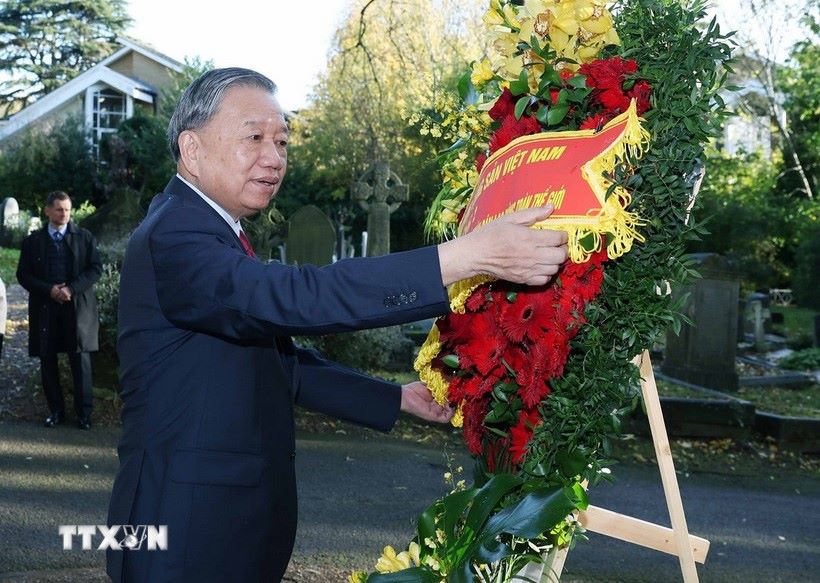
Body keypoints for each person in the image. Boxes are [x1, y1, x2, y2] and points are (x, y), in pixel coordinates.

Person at [107, 68, 569, 582]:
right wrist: (463, 257)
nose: (274, 157)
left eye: (281, 140)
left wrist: (395, 397)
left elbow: (274, 360)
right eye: (254, 137)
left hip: (224, 525)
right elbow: (292, 299)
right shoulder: (177, 232)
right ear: (191, 149)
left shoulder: (214, 228)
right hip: (185, 528)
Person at [17, 191, 102, 430]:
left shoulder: (84, 237)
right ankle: (56, 411)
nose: (64, 214)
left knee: (80, 361)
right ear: (47, 211)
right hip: (46, 308)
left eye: (67, 209)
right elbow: (22, 275)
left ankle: (84, 414)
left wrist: (71, 289)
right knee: (48, 360)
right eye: (59, 209)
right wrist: (49, 290)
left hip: (77, 307)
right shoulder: (33, 242)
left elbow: (95, 269)